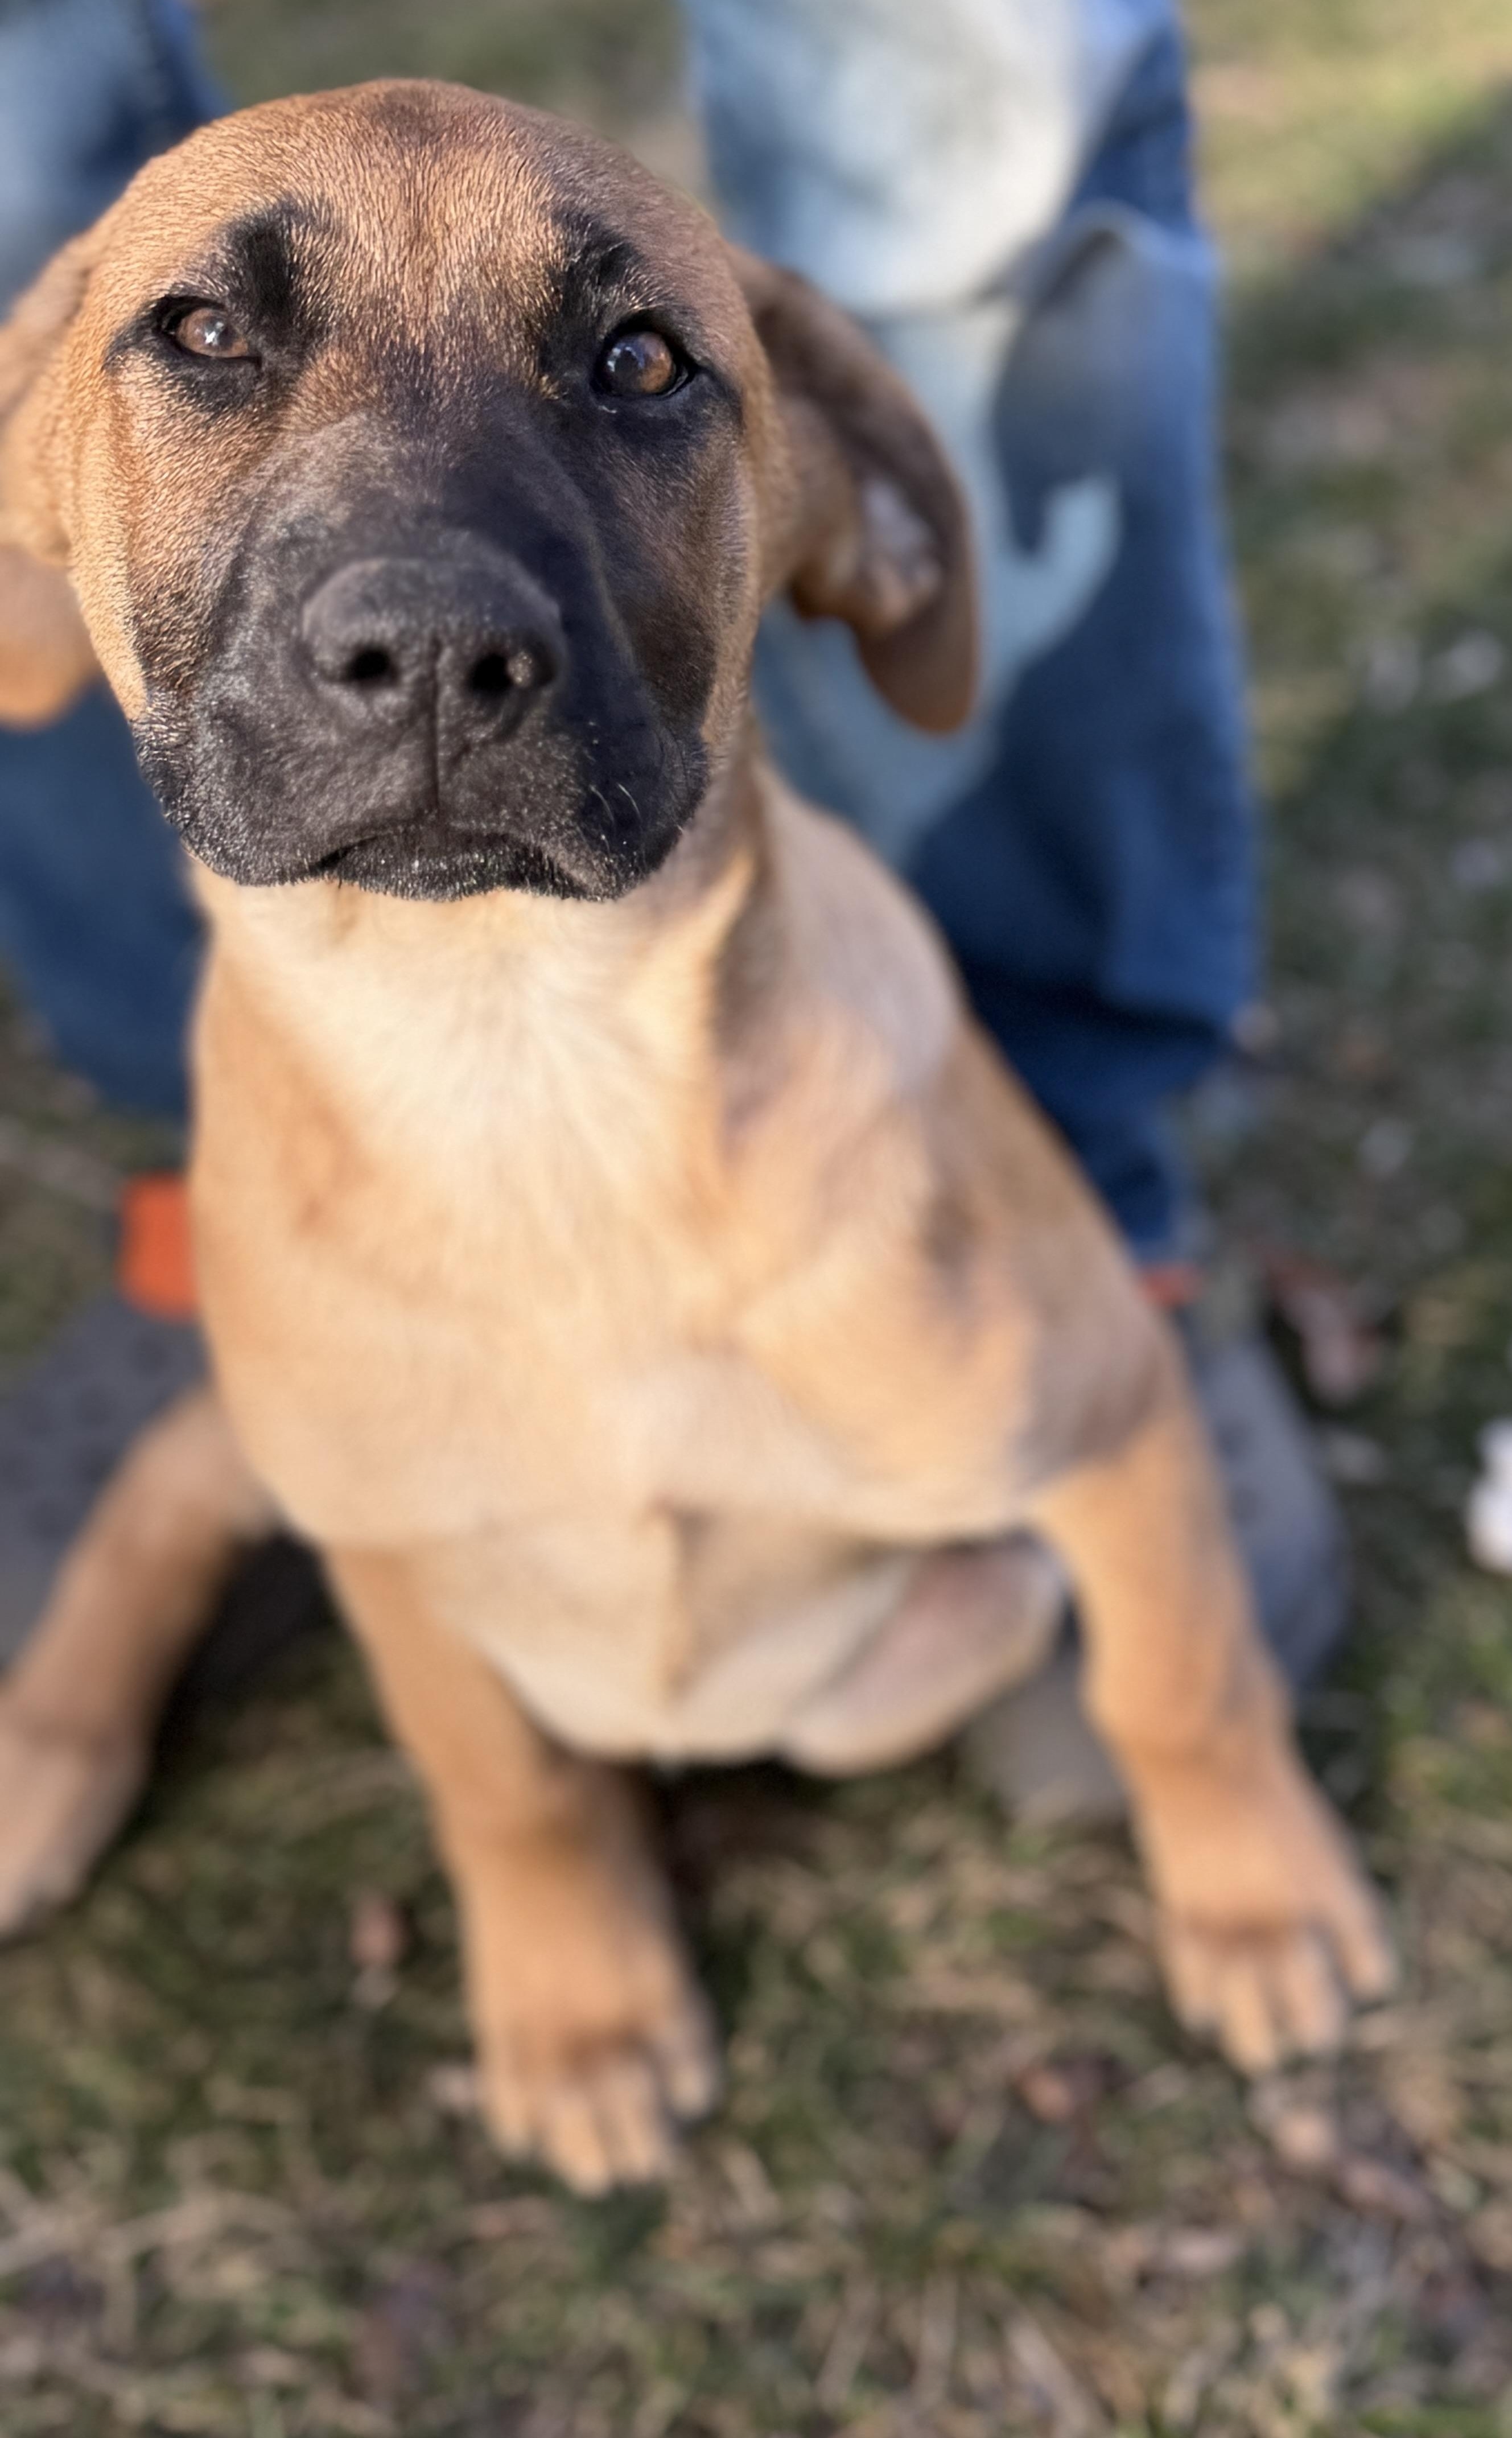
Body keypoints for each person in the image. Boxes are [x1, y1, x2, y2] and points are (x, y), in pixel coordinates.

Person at [0, 0, 1344, 1813]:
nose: (423, 616)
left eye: (632, 370)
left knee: (964, 86)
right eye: (212, 338)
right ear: (34, 478)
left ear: (845, 515)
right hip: (321, 1180)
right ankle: (207, 1293)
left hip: (833, 1173)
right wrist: (530, 1861)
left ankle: (1095, 1205)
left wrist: (1213, 1771)